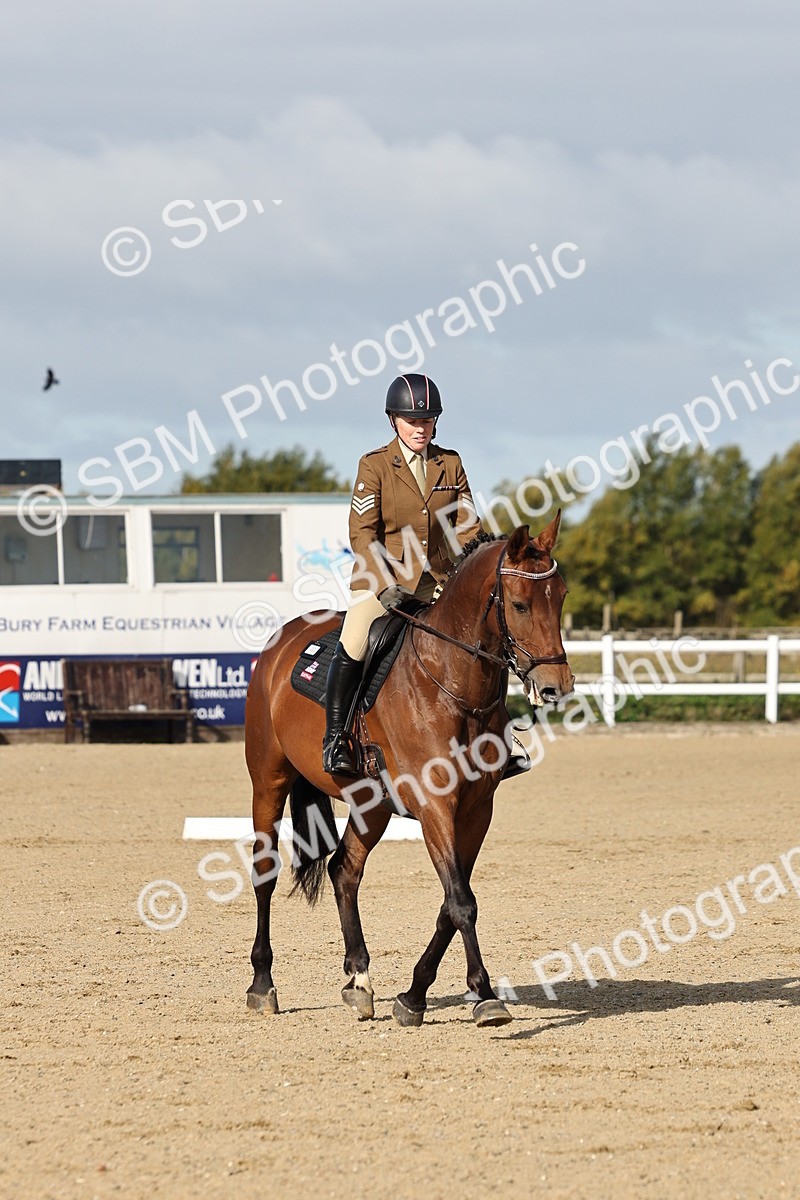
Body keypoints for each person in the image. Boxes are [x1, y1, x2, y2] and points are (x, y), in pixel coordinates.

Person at [322, 373, 529, 781]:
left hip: (437, 580)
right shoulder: (375, 465)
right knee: (355, 637)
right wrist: (383, 586)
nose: (421, 427)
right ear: (394, 421)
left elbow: (468, 528)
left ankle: (499, 738)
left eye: (428, 420)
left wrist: (488, 561)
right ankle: (336, 738)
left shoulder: (449, 463)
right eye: (412, 420)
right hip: (382, 581)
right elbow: (362, 533)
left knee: (489, 635)